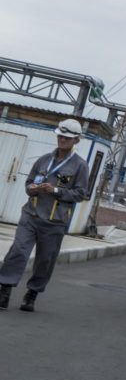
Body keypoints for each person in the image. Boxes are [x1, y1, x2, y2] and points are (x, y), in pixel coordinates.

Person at [0, 118, 92, 313]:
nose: (62, 140)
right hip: (30, 216)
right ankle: (5, 289)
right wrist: (32, 189)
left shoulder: (80, 166)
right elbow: (28, 184)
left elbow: (80, 194)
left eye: (67, 138)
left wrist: (55, 190)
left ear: (76, 140)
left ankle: (32, 293)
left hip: (54, 222)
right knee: (18, 251)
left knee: (45, 260)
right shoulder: (43, 160)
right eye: (60, 136)